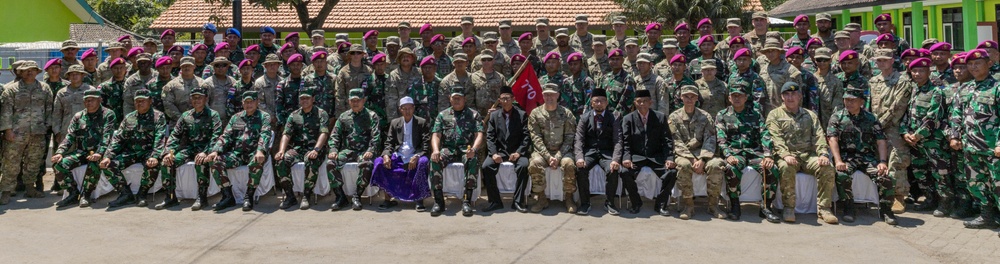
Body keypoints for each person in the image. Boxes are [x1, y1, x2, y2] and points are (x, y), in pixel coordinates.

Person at [766, 82, 837, 224]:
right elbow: (775, 137)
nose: (790, 97)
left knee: (827, 167)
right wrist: (785, 154)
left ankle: (824, 208)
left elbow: (819, 136)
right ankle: (788, 207)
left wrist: (823, 153)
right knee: (786, 167)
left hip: (807, 156)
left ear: (799, 96)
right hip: (786, 155)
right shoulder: (775, 115)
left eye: (793, 94)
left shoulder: (810, 115)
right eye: (787, 94)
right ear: (782, 97)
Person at [826, 85, 896, 225]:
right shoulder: (837, 117)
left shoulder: (870, 118)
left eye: (853, 100)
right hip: (847, 158)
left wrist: (882, 161)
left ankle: (886, 210)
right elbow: (832, 139)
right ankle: (848, 207)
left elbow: (880, 141)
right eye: (847, 100)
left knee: (886, 176)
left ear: (861, 102)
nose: (849, 103)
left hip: (867, 159)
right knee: (841, 175)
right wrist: (838, 160)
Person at [949, 49, 1000, 232]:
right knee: (976, 183)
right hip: (970, 146)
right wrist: (954, 135)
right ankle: (987, 217)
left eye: (978, 63)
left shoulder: (997, 88)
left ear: (989, 64)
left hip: (993, 148)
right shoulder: (965, 89)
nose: (973, 66)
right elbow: (956, 114)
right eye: (970, 64)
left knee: (998, 184)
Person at [715, 81, 781, 222]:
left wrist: (768, 155)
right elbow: (721, 139)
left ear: (746, 98)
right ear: (729, 98)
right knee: (731, 168)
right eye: (734, 96)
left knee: (772, 168)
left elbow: (765, 134)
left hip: (754, 153)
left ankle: (766, 207)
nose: (737, 98)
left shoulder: (755, 114)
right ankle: (735, 206)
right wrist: (728, 155)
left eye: (740, 96)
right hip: (735, 153)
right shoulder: (722, 115)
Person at [156, 87, 223, 210]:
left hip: (205, 150)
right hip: (189, 149)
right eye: (194, 97)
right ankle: (170, 197)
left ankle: (202, 198)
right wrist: (169, 153)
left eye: (200, 97)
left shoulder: (213, 115)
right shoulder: (186, 115)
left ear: (206, 99)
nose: (197, 100)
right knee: (167, 162)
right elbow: (175, 135)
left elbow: (216, 136)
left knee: (201, 162)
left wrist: (205, 152)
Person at [99, 89, 168, 208]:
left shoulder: (158, 116)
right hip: (130, 152)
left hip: (148, 152)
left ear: (150, 101)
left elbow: (160, 138)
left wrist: (155, 156)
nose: (139, 103)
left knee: (153, 165)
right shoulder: (129, 117)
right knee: (108, 165)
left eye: (143, 101)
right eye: (137, 101)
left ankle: (142, 194)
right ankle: (125, 194)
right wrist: (108, 156)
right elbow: (118, 139)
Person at [901, 58, 952, 217]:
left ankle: (945, 203)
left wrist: (917, 135)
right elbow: (906, 114)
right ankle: (930, 199)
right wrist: (904, 132)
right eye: (914, 71)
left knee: (940, 172)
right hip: (915, 142)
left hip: (932, 142)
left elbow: (933, 118)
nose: (917, 74)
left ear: (929, 72)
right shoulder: (913, 89)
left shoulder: (936, 91)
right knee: (920, 172)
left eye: (921, 71)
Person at [206, 91, 272, 211]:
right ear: (242, 103)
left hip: (255, 152)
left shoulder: (264, 116)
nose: (249, 104)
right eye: (246, 102)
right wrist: (215, 151)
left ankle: (249, 196)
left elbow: (265, 134)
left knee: (255, 162)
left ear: (257, 102)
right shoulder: (236, 117)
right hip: (237, 153)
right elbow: (225, 136)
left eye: (251, 101)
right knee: (215, 161)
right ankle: (228, 196)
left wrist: (260, 150)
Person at [670, 85, 726, 219]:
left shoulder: (705, 116)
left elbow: (710, 139)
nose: (689, 99)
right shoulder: (674, 117)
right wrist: (692, 160)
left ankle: (713, 205)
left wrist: (702, 159)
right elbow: (676, 142)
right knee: (683, 166)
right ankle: (688, 205)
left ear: (697, 98)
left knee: (716, 165)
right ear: (681, 97)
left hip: (704, 154)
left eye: (692, 96)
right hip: (684, 154)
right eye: (686, 96)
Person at [53, 90, 116, 208]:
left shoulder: (108, 114)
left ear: (100, 100)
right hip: (81, 152)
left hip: (100, 152)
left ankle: (86, 195)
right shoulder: (78, 116)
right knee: (59, 165)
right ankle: (72, 193)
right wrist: (60, 152)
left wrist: (100, 153)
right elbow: (70, 136)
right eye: (87, 100)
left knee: (94, 162)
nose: (89, 102)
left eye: (92, 100)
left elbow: (107, 137)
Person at [0, 61, 53, 203]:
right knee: (11, 162)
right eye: (26, 70)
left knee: (33, 162)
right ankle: (6, 191)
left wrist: (46, 126)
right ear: (20, 73)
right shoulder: (11, 90)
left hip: (37, 132)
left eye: (32, 70)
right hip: (17, 133)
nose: (29, 73)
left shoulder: (44, 88)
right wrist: (8, 130)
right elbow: (6, 112)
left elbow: (49, 109)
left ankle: (30, 188)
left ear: (37, 72)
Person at [869, 48, 914, 214]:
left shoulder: (902, 81)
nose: (881, 63)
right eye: (879, 60)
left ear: (892, 60)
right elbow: (868, 104)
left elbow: (898, 106)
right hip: (876, 127)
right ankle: (881, 195)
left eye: (885, 60)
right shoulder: (873, 81)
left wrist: (878, 124)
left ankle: (899, 196)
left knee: (897, 161)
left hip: (893, 127)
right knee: (878, 161)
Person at [429, 86, 484, 216]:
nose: (457, 100)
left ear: (465, 99)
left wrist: (474, 150)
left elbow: (479, 134)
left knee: (473, 160)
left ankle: (467, 201)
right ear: (450, 99)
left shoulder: (474, 114)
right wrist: (436, 150)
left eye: (459, 98)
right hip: (448, 149)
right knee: (435, 160)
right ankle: (439, 202)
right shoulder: (443, 115)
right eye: (454, 98)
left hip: (466, 148)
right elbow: (436, 135)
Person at [620, 89, 675, 215]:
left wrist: (669, 158)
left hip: (655, 156)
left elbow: (667, 140)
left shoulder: (660, 117)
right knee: (625, 172)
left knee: (672, 172)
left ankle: (660, 204)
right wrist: (627, 158)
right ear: (635, 103)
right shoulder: (628, 119)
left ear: (651, 102)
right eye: (639, 101)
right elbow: (626, 142)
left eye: (645, 101)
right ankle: (636, 202)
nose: (642, 104)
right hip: (637, 156)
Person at [525, 83, 578, 214]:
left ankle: (569, 198)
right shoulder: (535, 114)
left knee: (569, 164)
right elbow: (535, 137)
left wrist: (558, 156)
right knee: (534, 164)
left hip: (563, 151)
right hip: (543, 152)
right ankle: (541, 198)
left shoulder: (567, 114)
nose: (549, 97)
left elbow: (569, 137)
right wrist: (548, 157)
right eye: (546, 94)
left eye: (552, 94)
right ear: (542, 96)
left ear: (558, 95)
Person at [275, 87, 329, 210]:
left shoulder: (321, 113)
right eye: (302, 98)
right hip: (298, 148)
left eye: (307, 98)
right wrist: (281, 151)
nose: (304, 100)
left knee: (311, 160)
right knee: (280, 161)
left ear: (313, 99)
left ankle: (306, 195)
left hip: (315, 148)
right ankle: (290, 196)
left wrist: (316, 150)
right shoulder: (294, 115)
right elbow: (286, 134)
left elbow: (324, 133)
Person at [328, 88, 382, 211]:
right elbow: (335, 135)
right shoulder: (344, 116)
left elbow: (376, 136)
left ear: (364, 100)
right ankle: (340, 197)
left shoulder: (371, 116)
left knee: (367, 164)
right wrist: (333, 149)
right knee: (331, 163)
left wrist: (371, 150)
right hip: (349, 150)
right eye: (352, 101)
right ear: (348, 101)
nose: (355, 103)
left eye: (358, 100)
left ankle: (357, 196)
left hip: (364, 150)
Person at [373, 97, 431, 211]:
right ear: (400, 109)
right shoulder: (395, 123)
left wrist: (418, 155)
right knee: (379, 162)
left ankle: (419, 199)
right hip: (399, 155)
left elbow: (426, 144)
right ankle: (388, 198)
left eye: (410, 108)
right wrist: (386, 155)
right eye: (404, 108)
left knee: (423, 162)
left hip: (414, 155)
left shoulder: (421, 122)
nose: (407, 111)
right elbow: (389, 142)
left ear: (414, 108)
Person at [573, 88, 623, 215]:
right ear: (591, 103)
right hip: (589, 152)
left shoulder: (613, 118)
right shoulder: (584, 118)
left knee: (613, 169)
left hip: (606, 152)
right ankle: (585, 203)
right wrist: (579, 157)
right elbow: (578, 139)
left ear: (606, 103)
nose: (599, 104)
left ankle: (610, 203)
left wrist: (615, 160)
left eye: (602, 101)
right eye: (596, 101)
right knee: (581, 169)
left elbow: (618, 141)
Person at [480, 88, 531, 213]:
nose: (505, 100)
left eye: (508, 98)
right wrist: (494, 153)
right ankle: (495, 201)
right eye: (503, 98)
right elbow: (490, 137)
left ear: (513, 99)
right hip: (500, 151)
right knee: (486, 166)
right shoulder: (494, 115)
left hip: (516, 150)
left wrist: (519, 152)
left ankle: (518, 201)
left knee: (523, 166)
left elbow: (526, 137)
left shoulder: (521, 115)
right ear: (499, 100)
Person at [202, 57, 237, 122]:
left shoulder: (233, 82)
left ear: (227, 67)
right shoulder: (207, 83)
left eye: (224, 65)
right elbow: (204, 103)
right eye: (217, 65)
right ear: (213, 67)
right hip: (213, 120)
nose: (221, 68)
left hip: (231, 120)